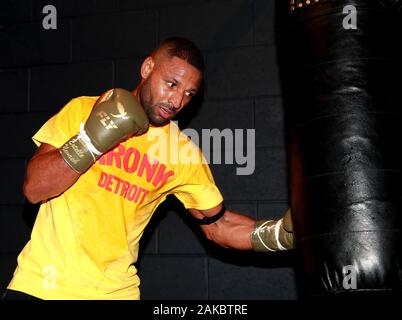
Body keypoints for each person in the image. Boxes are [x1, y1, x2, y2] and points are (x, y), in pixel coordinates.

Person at [3, 37, 294, 300]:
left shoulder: (181, 153)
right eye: (172, 84)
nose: (178, 101)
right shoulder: (83, 111)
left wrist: (280, 235)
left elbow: (219, 226)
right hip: (40, 286)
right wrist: (92, 141)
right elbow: (34, 189)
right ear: (147, 68)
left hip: (116, 294)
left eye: (189, 93)